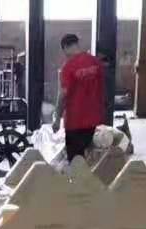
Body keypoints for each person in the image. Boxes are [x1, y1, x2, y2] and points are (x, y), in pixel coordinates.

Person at [51, 33, 105, 162]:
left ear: (65, 47)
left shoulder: (68, 67)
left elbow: (63, 94)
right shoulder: (95, 63)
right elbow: (102, 88)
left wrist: (57, 118)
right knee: (85, 157)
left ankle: (78, 175)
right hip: (93, 119)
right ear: (77, 44)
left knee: (75, 162)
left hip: (75, 121)